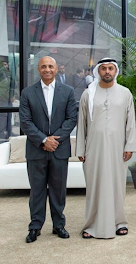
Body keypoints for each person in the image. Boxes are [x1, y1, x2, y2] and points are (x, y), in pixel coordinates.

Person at [76, 58, 136, 239]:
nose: (107, 72)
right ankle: (91, 224)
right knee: (94, 186)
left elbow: (130, 122)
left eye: (110, 68)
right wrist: (80, 149)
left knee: (117, 186)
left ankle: (120, 222)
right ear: (98, 72)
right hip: (94, 148)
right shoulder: (88, 94)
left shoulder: (125, 93)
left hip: (118, 148)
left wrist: (130, 145)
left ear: (115, 71)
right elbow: (82, 123)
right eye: (104, 69)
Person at [19, 56, 77, 243]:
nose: (47, 69)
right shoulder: (28, 93)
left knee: (58, 190)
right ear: (38, 69)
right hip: (36, 150)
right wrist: (44, 140)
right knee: (37, 191)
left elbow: (71, 119)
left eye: (50, 66)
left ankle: (58, 225)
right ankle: (35, 227)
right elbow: (25, 122)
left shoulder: (67, 91)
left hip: (59, 150)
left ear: (56, 68)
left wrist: (55, 140)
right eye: (43, 66)